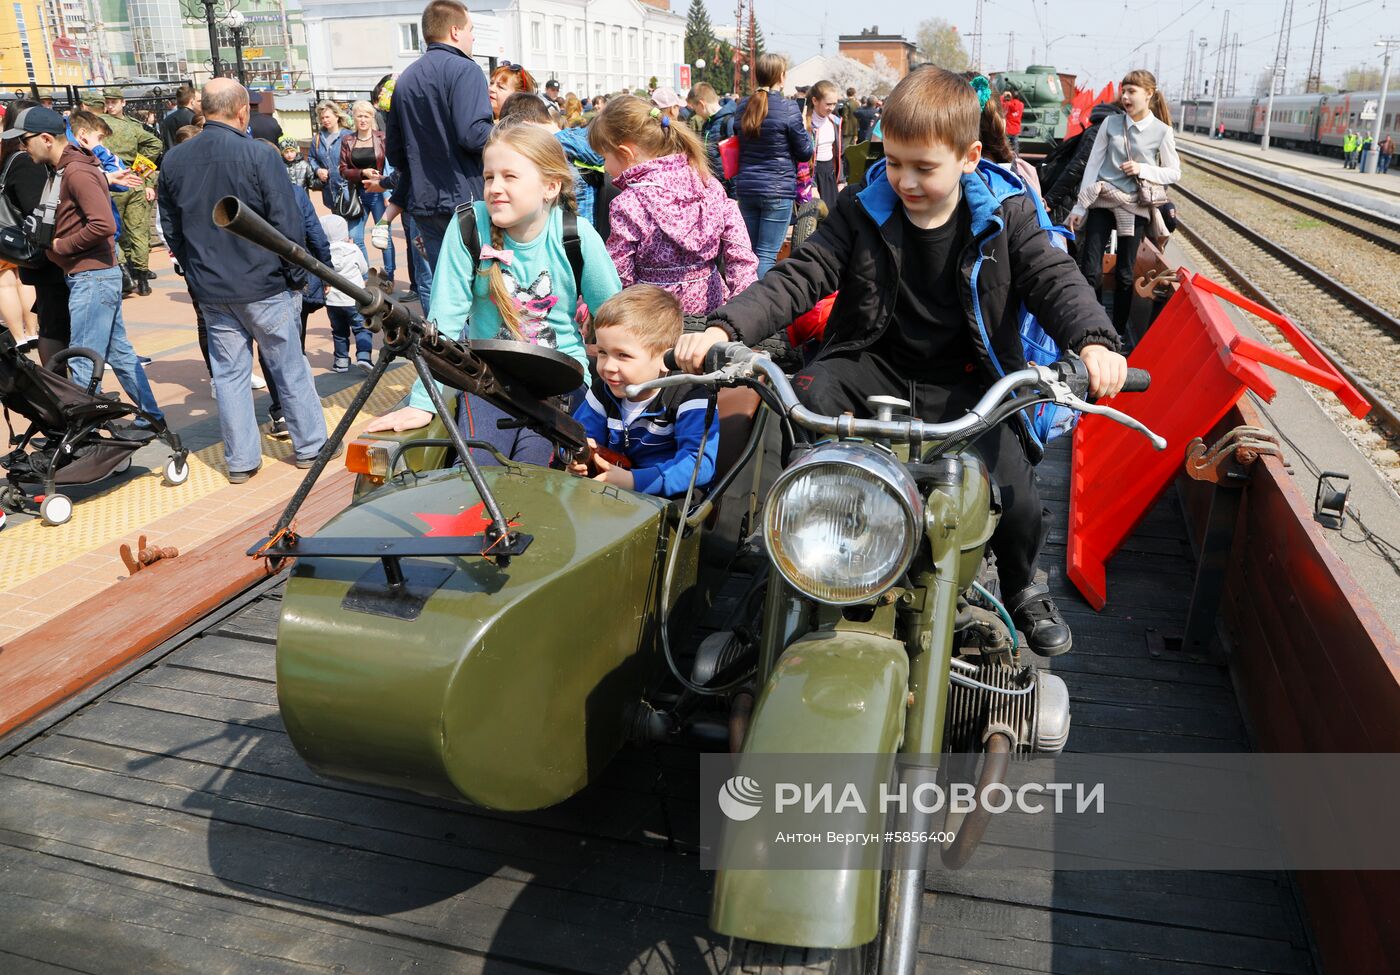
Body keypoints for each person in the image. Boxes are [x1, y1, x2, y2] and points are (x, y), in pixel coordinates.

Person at [674, 67, 1129, 658]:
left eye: (923, 167)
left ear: (968, 157)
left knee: (1016, 488)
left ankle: (1021, 584)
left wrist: (1094, 340)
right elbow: (802, 274)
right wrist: (724, 327)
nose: (904, 180)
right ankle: (788, 560)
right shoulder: (865, 209)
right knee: (807, 401)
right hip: (874, 364)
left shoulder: (1007, 215)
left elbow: (1055, 278)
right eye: (893, 162)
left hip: (971, 382)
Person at [364, 121, 622, 465]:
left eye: (510, 177)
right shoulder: (469, 226)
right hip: (489, 380)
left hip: (561, 381)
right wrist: (423, 403)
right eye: (489, 177)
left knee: (534, 471)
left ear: (550, 186)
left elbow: (614, 317)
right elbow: (444, 323)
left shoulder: (575, 235)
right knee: (476, 466)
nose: (495, 188)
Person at [159, 79, 328, 483]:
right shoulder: (257, 155)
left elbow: (171, 228)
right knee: (289, 367)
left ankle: (240, 461)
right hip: (264, 282)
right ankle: (311, 447)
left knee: (230, 376)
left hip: (213, 288)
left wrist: (193, 270)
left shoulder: (174, 160)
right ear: (242, 112)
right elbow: (285, 221)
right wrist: (295, 277)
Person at [7, 105, 165, 435]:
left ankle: (84, 434)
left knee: (82, 359)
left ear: (46, 139)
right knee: (119, 353)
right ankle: (151, 417)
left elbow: (103, 224)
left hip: (92, 276)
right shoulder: (68, 168)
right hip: (91, 274)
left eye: (25, 141)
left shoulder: (75, 171)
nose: (23, 147)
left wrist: (61, 247)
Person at [588, 95, 757, 315]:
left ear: (625, 153)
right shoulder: (707, 183)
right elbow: (740, 251)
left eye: (604, 158)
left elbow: (619, 276)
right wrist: (740, 312)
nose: (605, 167)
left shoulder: (628, 204)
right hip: (711, 308)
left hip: (653, 317)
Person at [385, 0, 494, 315]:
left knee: (445, 291)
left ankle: (446, 360)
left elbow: (394, 151)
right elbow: (473, 134)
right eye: (471, 30)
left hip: (424, 202)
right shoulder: (465, 70)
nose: (473, 38)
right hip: (466, 200)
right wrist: (507, 132)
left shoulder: (405, 78)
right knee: (480, 293)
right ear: (456, 30)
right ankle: (472, 362)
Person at [567, 286, 719, 496]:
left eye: (623, 355)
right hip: (612, 490)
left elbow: (698, 464)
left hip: (668, 500)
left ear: (665, 360)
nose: (608, 366)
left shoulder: (688, 395)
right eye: (602, 352)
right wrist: (578, 459)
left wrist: (632, 480)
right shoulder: (603, 391)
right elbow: (581, 436)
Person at [1066, 69, 1179, 338]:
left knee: (1126, 275)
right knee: (1091, 269)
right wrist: (1080, 207)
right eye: (1123, 91)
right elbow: (1093, 165)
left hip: (1134, 206)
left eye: (1132, 91)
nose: (1125, 97)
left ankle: (1116, 332)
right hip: (1103, 201)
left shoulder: (1162, 131)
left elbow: (1174, 172)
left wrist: (1142, 169)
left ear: (1149, 94)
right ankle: (1094, 326)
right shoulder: (1110, 124)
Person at [732, 54, 813, 277]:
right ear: (781, 76)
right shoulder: (788, 108)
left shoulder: (743, 107)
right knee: (767, 254)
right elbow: (805, 151)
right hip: (777, 190)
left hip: (747, 187)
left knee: (750, 252)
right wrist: (804, 125)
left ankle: (743, 297)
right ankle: (757, 305)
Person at [1, 100, 68, 366]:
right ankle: (63, 390)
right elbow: (37, 210)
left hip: (41, 253)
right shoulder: (25, 162)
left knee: (54, 322)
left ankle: (67, 389)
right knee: (54, 325)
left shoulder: (15, 158)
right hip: (44, 252)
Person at [101, 87, 163, 296]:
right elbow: (155, 144)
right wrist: (139, 172)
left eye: (113, 102)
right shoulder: (132, 127)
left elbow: (155, 144)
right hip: (133, 180)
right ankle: (140, 278)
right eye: (107, 102)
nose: (110, 105)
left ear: (122, 103)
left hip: (114, 181)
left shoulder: (98, 125)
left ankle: (132, 276)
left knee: (119, 231)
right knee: (135, 231)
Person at [338, 100, 395, 283]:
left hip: (379, 192)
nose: (362, 119)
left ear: (372, 118)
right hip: (357, 194)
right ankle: (365, 277)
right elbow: (343, 169)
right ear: (353, 118)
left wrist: (387, 192)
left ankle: (388, 275)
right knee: (355, 237)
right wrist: (362, 172)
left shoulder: (382, 138)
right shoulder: (348, 140)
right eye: (359, 115)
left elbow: (389, 165)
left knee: (382, 236)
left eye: (366, 116)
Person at [319, 214, 373, 373]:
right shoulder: (353, 249)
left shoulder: (323, 253)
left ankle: (341, 362)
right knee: (361, 328)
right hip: (354, 299)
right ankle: (364, 356)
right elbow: (364, 269)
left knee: (339, 332)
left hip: (333, 302)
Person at [687, 82, 739, 188]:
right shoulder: (708, 123)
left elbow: (735, 161)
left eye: (695, 108)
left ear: (702, 104)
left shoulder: (728, 122)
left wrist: (734, 192)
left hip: (728, 186)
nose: (695, 113)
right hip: (715, 183)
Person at [805, 80, 844, 206]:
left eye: (834, 104)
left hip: (830, 175)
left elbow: (839, 154)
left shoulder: (835, 122)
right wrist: (811, 184)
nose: (832, 108)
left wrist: (841, 181)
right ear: (815, 101)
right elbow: (801, 158)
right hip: (813, 175)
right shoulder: (805, 123)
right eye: (828, 104)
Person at [840, 87, 861, 151]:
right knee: (853, 148)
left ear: (847, 94)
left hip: (847, 129)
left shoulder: (846, 103)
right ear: (854, 94)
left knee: (845, 148)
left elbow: (844, 117)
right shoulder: (857, 104)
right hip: (855, 129)